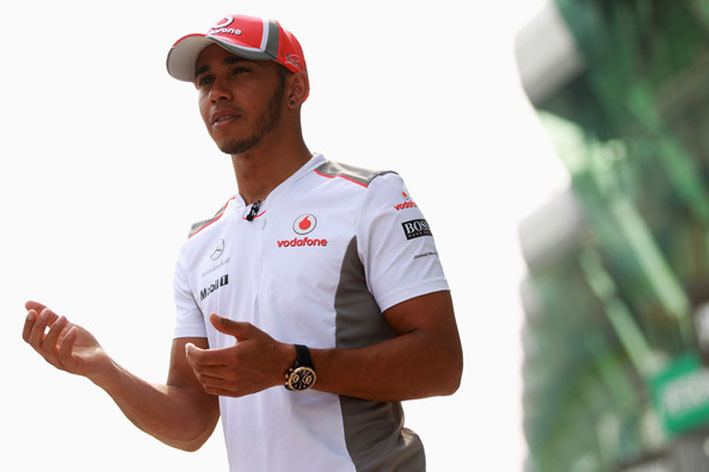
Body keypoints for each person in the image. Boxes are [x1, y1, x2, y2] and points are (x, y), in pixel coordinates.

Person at [22, 14, 463, 472]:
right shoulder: (200, 245)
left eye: (239, 70)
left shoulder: (371, 197)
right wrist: (105, 371)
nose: (217, 92)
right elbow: (192, 423)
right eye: (205, 80)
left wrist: (291, 365)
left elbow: (442, 364)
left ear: (295, 88)